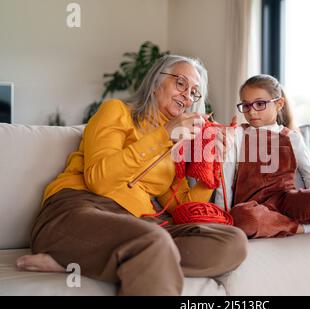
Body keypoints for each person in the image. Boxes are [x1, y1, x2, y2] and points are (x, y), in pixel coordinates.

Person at [16, 55, 247, 295]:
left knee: (232, 243)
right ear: (156, 81)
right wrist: (162, 137)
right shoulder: (117, 112)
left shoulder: (176, 144)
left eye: (194, 92)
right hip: (81, 208)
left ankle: (81, 262)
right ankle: (108, 256)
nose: (188, 96)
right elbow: (100, 180)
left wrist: (210, 159)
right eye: (180, 83)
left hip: (138, 225)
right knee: (154, 240)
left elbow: (187, 210)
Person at [214, 74, 310, 238]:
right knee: (245, 219)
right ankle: (305, 228)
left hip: (286, 201)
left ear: (279, 104)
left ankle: (275, 224)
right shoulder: (236, 135)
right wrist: (221, 216)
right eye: (245, 105)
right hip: (251, 207)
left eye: (260, 104)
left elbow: (309, 175)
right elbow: (225, 179)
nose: (251, 111)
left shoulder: (291, 137)